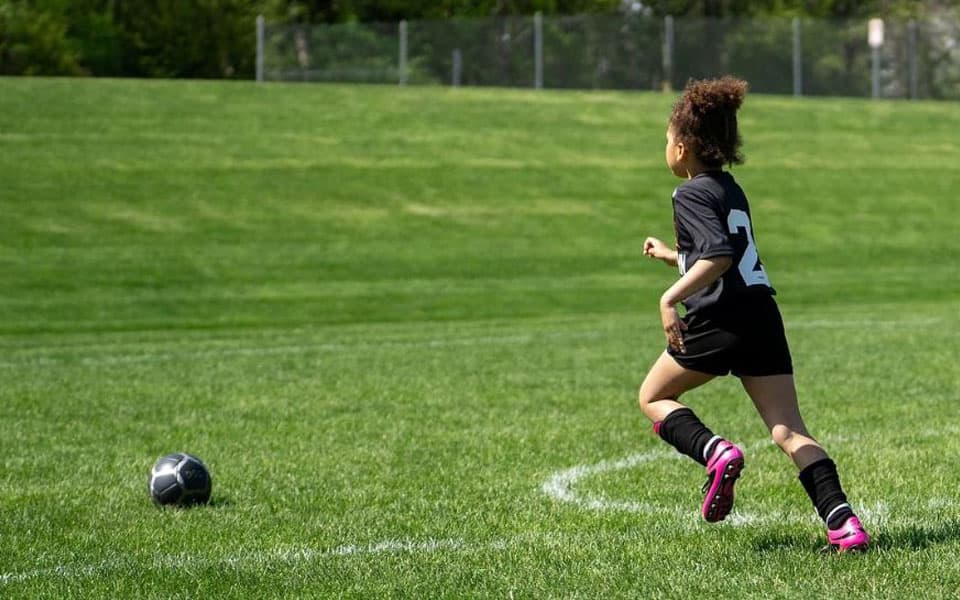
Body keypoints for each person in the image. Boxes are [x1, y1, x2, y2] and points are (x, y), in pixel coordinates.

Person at [638, 76, 870, 553]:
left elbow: (718, 257)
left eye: (665, 139)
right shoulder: (729, 188)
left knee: (654, 397)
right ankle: (844, 524)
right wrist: (671, 256)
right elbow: (721, 254)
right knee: (788, 430)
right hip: (761, 315)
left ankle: (715, 451)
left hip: (719, 318)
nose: (664, 147)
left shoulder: (688, 194)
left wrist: (667, 299)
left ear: (681, 148)